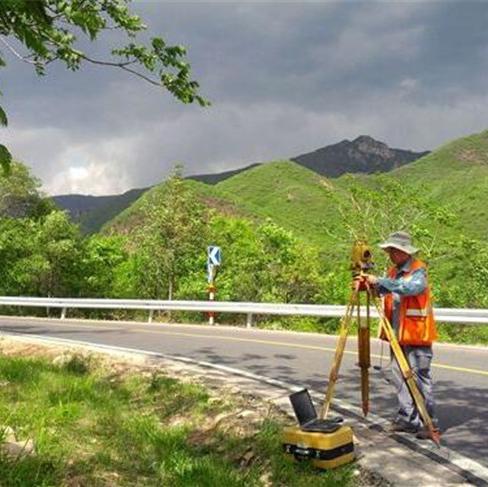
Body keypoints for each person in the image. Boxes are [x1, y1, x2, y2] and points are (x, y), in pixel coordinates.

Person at [364, 231, 439, 439]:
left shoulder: (418, 271)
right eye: (390, 251)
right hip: (396, 336)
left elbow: (410, 289)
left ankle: (429, 423)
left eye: (394, 251)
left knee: (419, 378)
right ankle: (408, 419)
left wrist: (380, 280)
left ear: (405, 252)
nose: (391, 254)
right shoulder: (391, 272)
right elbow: (383, 291)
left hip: (416, 336)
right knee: (398, 378)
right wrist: (370, 285)